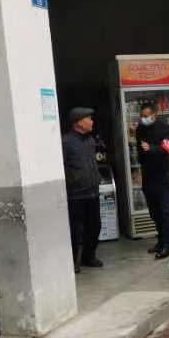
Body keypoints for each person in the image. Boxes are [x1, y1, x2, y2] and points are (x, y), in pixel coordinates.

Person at [62, 107, 103, 274]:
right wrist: (72, 181)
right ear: (79, 122)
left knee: (95, 226)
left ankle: (89, 256)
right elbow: (62, 167)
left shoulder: (90, 140)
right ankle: (73, 262)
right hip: (76, 195)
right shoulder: (66, 142)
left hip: (92, 192)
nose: (92, 121)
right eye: (89, 118)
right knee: (75, 230)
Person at [136, 102, 169, 259]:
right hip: (148, 176)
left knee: (165, 211)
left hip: (162, 176)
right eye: (142, 116)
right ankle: (161, 241)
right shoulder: (140, 129)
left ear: (154, 115)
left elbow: (168, 149)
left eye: (146, 116)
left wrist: (151, 148)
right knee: (154, 212)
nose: (143, 118)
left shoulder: (164, 128)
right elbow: (139, 151)